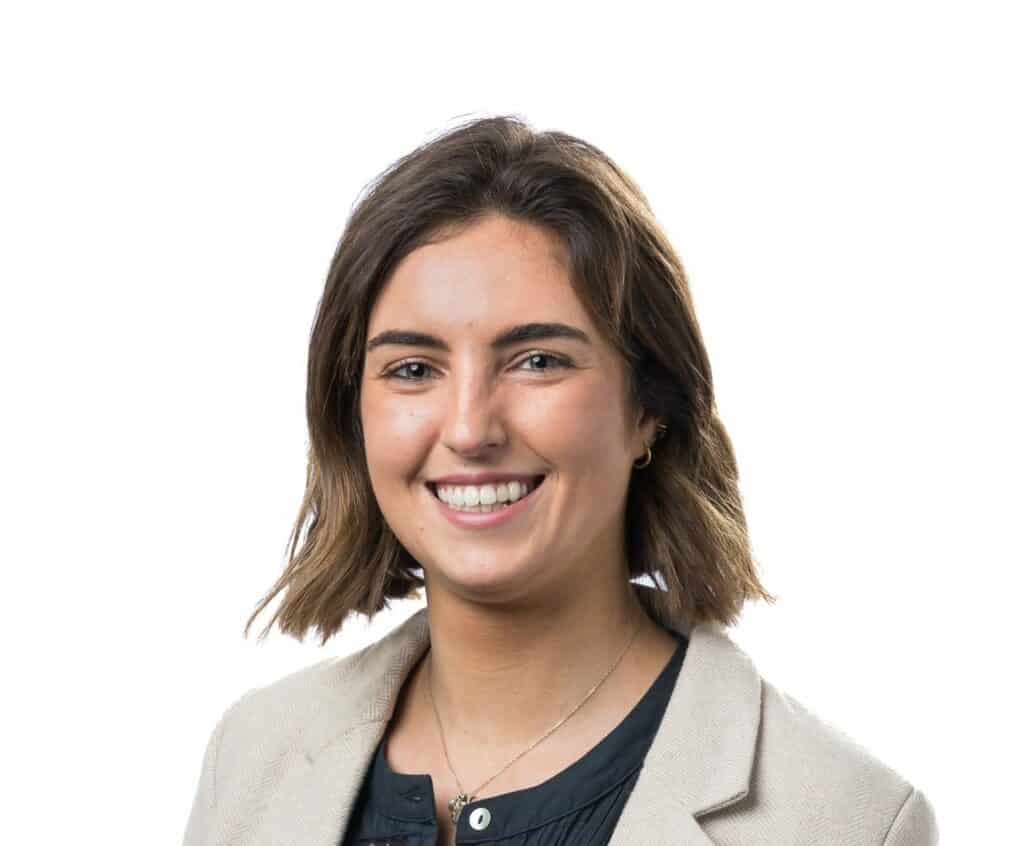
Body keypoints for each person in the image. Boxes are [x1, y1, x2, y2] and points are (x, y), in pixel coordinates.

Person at [183, 115, 939, 846]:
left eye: (538, 360)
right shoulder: (253, 759)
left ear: (649, 406)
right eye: (413, 369)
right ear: (353, 415)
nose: (471, 429)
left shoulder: (849, 821)